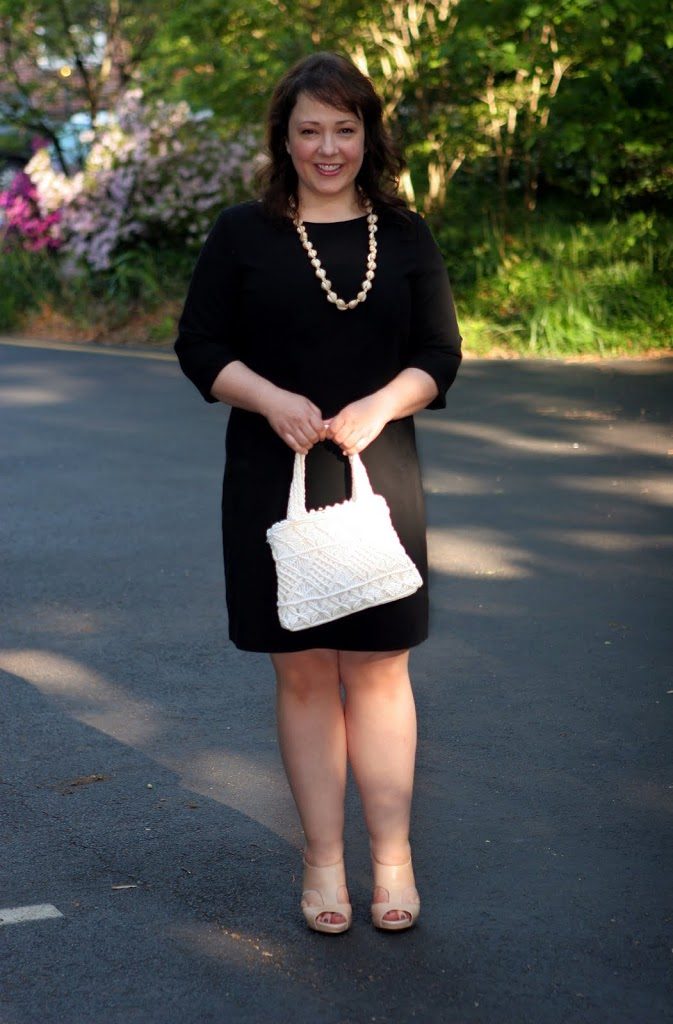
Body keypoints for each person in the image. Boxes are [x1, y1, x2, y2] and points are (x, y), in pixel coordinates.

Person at [174, 51, 462, 934]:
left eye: (344, 129)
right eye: (310, 131)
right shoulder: (241, 233)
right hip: (274, 479)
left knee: (379, 675)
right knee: (302, 679)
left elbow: (438, 355)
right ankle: (323, 862)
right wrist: (269, 399)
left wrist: (380, 404)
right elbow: (200, 347)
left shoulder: (404, 233)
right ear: (283, 138)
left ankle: (392, 860)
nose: (327, 147)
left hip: (381, 475)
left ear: (367, 134)